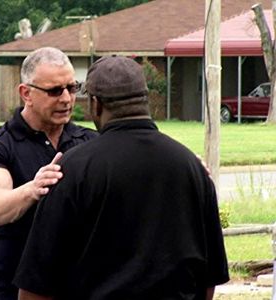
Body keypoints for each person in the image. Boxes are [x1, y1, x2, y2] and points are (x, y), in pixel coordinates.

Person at [14, 56, 230, 300]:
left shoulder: (71, 170)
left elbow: (36, 285)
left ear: (95, 104)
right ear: (146, 100)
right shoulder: (191, 167)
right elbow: (209, 277)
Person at [0, 47, 98, 300]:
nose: (66, 99)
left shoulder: (91, 142)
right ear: (26, 93)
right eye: (54, 91)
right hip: (12, 290)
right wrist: (33, 189)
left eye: (72, 88)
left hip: (82, 289)